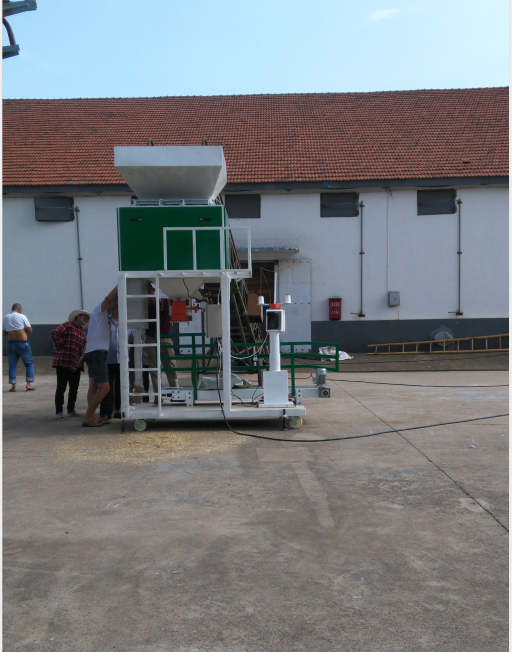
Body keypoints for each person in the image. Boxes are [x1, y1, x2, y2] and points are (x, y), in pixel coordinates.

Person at [82, 286, 118, 427]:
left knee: (93, 387)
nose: (116, 304)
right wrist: (120, 284)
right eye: (115, 301)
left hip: (93, 353)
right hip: (97, 353)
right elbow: (108, 298)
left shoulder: (105, 317)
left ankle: (91, 416)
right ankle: (87, 417)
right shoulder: (99, 310)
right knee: (105, 389)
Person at [50, 310, 90, 419]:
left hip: (76, 364)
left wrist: (81, 360)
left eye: (87, 318)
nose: (86, 319)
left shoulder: (82, 332)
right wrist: (60, 345)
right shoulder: (68, 325)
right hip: (64, 361)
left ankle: (71, 409)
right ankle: (59, 411)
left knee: (74, 388)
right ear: (78, 316)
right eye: (84, 316)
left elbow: (83, 347)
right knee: (61, 387)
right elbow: (55, 333)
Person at [146, 283, 178, 404]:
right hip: (151, 338)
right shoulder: (144, 306)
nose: (149, 294)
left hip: (165, 338)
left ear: (154, 290)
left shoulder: (164, 303)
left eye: (150, 291)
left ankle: (176, 393)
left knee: (171, 367)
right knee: (154, 369)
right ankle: (157, 395)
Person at [2, 303, 34, 392]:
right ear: (19, 309)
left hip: (11, 343)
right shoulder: (22, 316)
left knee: (12, 365)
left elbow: (3, 333)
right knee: (29, 364)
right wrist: (21, 329)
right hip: (23, 343)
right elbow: (30, 330)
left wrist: (12, 330)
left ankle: (14, 386)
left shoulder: (5, 318)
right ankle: (28, 385)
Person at [99, 303, 122, 420]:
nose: (117, 306)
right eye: (115, 304)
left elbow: (133, 339)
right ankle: (106, 413)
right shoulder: (105, 321)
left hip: (123, 360)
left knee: (121, 387)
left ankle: (119, 409)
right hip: (107, 359)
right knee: (106, 388)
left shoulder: (127, 322)